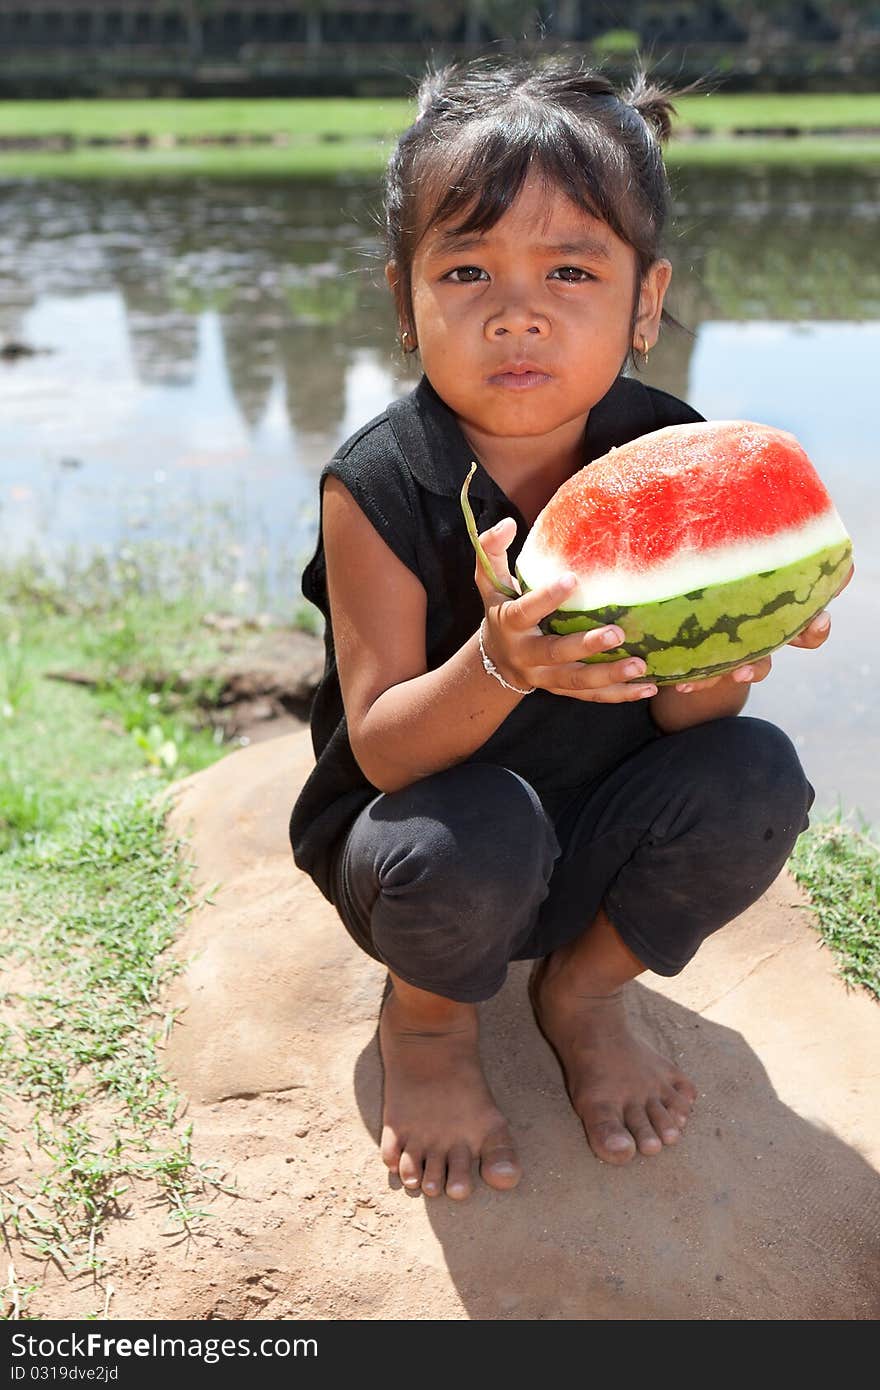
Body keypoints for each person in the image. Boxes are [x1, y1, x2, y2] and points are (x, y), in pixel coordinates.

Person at [289, 55, 841, 1202]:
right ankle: (433, 1026)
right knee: (461, 833)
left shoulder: (670, 454)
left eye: (573, 269)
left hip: (599, 837)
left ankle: (586, 987)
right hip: (429, 848)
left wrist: (732, 649)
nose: (517, 309)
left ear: (645, 301)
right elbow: (382, 747)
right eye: (468, 269)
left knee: (755, 772)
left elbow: (688, 716)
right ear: (405, 303)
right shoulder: (378, 484)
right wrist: (498, 661)